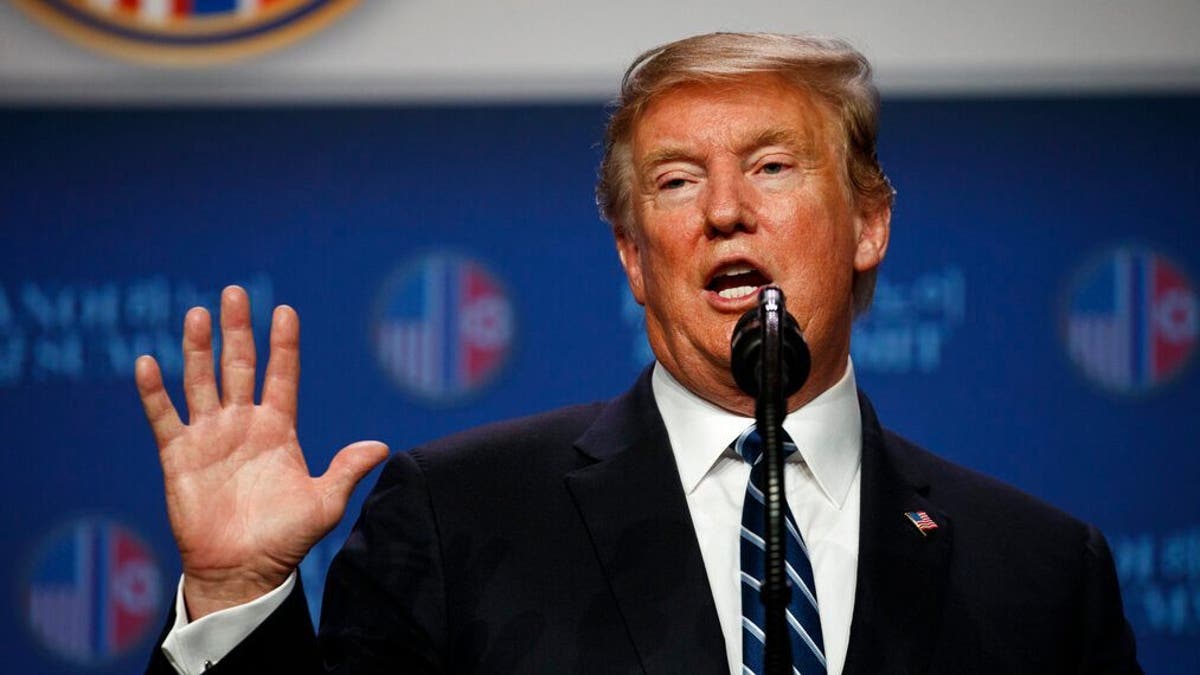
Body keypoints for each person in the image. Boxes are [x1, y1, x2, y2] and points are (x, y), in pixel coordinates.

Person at [138, 33, 1141, 674]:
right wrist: (232, 603)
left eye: (772, 166)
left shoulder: (1043, 571)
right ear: (632, 255)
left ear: (868, 224)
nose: (723, 210)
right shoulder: (460, 521)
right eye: (672, 182)